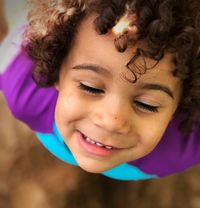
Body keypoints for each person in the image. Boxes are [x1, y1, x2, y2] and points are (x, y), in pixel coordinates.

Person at [0, 0, 200, 181]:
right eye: (90, 87)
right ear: (55, 71)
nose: (111, 122)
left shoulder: (185, 147)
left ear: (181, 103)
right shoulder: (24, 88)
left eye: (146, 103)